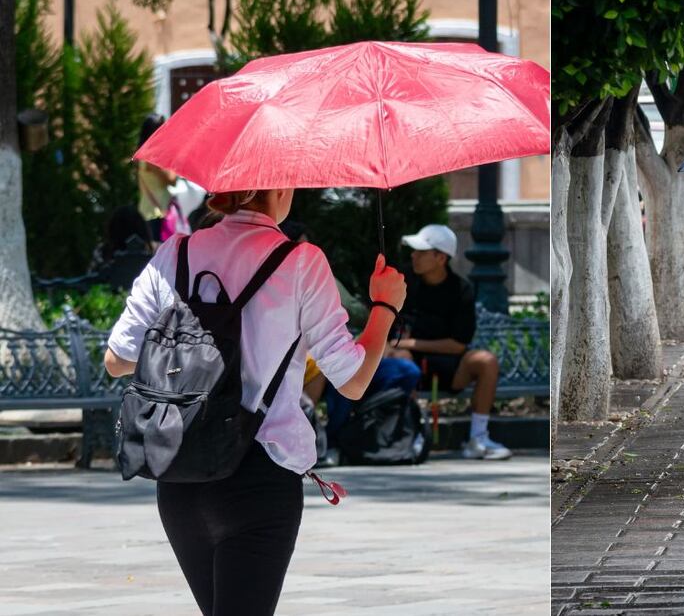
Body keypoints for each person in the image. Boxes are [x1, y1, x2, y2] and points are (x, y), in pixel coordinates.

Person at [103, 188, 406, 616]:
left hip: (179, 468)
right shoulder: (301, 262)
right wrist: (385, 308)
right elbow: (353, 380)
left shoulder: (177, 252)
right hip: (260, 473)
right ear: (280, 185)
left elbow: (117, 360)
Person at [391, 224, 512, 461]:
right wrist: (404, 347)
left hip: (451, 367)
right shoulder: (403, 281)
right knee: (401, 361)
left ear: (440, 258)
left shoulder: (462, 289)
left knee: (486, 361)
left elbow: (458, 344)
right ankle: (413, 433)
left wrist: (411, 343)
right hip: (411, 365)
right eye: (414, 251)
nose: (413, 255)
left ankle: (478, 437)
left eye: (421, 252)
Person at [135, 114, 180, 241]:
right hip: (156, 213)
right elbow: (171, 180)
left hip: (149, 210)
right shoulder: (152, 156)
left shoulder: (143, 153)